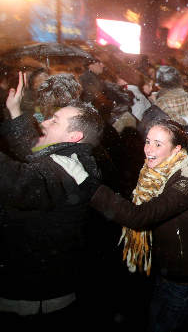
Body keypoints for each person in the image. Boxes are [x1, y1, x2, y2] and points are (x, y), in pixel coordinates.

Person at [52, 119, 188, 332]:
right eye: (148, 141)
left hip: (185, 281)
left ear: (177, 150)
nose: (149, 149)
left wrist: (86, 182)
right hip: (165, 272)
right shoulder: (153, 173)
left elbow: (139, 217)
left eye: (158, 144)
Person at [0, 72, 103, 332]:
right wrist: (15, 113)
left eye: (54, 121)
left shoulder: (67, 171)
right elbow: (32, 152)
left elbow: (16, 182)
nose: (45, 122)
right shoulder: (69, 157)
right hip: (44, 287)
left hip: (34, 300)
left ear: (74, 136)